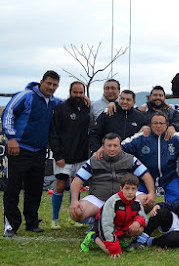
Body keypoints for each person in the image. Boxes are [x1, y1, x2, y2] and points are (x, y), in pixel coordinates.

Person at [2, 70, 62, 236]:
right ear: (41, 82)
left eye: (55, 85)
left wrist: (83, 100)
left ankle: (32, 222)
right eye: (48, 83)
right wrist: (11, 138)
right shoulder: (25, 96)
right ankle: (10, 225)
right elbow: (8, 113)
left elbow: (69, 106)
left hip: (39, 152)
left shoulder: (54, 102)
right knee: (13, 189)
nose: (51, 87)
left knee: (34, 190)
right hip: (18, 150)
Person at [69, 133, 156, 223]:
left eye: (115, 145)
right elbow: (77, 181)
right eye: (109, 146)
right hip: (99, 199)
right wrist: (74, 201)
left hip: (125, 199)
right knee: (76, 213)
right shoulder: (94, 161)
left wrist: (151, 194)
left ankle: (130, 220)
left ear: (120, 146)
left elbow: (147, 176)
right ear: (103, 147)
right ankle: (98, 222)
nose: (112, 149)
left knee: (148, 202)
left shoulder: (130, 159)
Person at [122, 113, 179, 202]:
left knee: (176, 202)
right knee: (140, 202)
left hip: (169, 177)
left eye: (161, 123)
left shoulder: (174, 137)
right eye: (155, 123)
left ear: (167, 125)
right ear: (150, 125)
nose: (158, 126)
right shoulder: (142, 137)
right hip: (144, 179)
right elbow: (121, 147)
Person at [48, 81, 90, 230]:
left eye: (81, 93)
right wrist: (58, 155)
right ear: (70, 92)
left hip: (81, 157)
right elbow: (53, 134)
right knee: (59, 186)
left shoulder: (86, 108)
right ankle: (55, 219)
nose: (78, 95)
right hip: (63, 157)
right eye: (75, 92)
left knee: (76, 187)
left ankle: (74, 217)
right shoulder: (61, 109)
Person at [80, 174, 147, 258]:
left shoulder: (137, 202)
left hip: (120, 228)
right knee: (111, 252)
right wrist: (113, 247)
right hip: (103, 229)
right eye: (127, 188)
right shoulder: (113, 201)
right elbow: (106, 225)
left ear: (137, 190)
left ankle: (118, 238)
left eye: (133, 189)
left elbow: (144, 218)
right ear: (121, 188)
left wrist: (137, 222)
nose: (130, 192)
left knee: (140, 228)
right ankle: (93, 236)